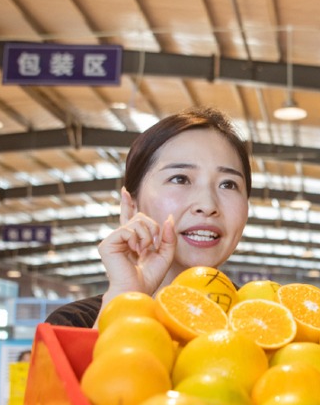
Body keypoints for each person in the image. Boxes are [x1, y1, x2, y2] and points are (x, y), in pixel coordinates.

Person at [46, 106, 252, 328]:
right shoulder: (74, 324)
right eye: (180, 179)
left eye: (228, 184)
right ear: (131, 205)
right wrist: (125, 296)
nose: (208, 205)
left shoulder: (265, 323)